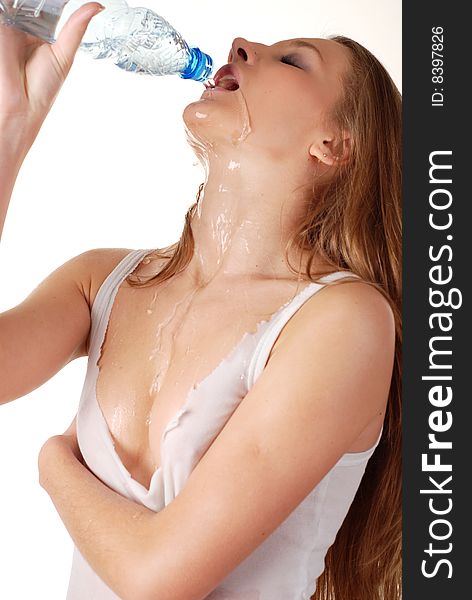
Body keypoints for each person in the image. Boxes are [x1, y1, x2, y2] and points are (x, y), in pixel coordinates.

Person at [0, 3, 402, 600]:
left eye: (292, 59)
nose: (242, 44)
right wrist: (12, 125)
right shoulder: (105, 282)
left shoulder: (343, 323)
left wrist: (53, 464)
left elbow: (156, 578)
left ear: (334, 145)